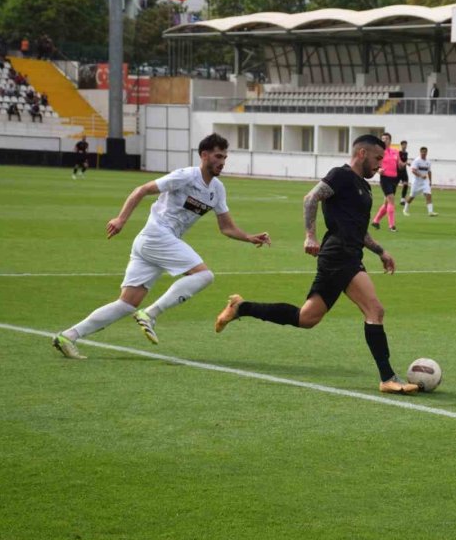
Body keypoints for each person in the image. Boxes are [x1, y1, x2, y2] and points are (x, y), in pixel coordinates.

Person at [213, 134, 419, 395]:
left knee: (306, 318)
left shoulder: (364, 187)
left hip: (348, 254)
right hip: (339, 255)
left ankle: (241, 307)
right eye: (378, 158)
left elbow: (359, 230)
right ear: (362, 154)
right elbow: (311, 198)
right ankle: (388, 377)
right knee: (375, 310)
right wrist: (310, 234)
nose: (381, 165)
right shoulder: (341, 175)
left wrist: (381, 251)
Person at [52, 133, 271, 359]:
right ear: (204, 155)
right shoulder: (186, 176)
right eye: (218, 156)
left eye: (225, 157)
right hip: (157, 235)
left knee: (127, 304)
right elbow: (142, 189)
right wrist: (121, 219)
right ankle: (151, 313)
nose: (222, 162)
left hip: (154, 242)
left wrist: (249, 237)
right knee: (205, 276)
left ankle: (68, 336)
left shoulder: (217, 189)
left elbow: (226, 227)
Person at [370, 132, 401, 232]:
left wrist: (404, 163)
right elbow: (373, 165)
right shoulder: (379, 152)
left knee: (387, 203)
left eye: (386, 139)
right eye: (382, 139)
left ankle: (376, 221)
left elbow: (399, 165)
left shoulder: (395, 152)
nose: (384, 140)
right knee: (391, 200)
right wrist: (378, 170)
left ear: (390, 141)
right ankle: (392, 226)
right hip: (385, 179)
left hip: (394, 179)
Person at [402, 146, 437, 217]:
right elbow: (413, 170)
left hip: (425, 181)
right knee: (412, 196)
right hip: (416, 181)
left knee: (428, 195)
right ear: (420, 152)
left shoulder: (428, 161)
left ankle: (430, 212)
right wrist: (421, 175)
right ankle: (405, 210)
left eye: (425, 152)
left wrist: (430, 181)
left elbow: (429, 171)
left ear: (427, 153)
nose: (424, 153)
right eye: (422, 152)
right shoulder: (417, 161)